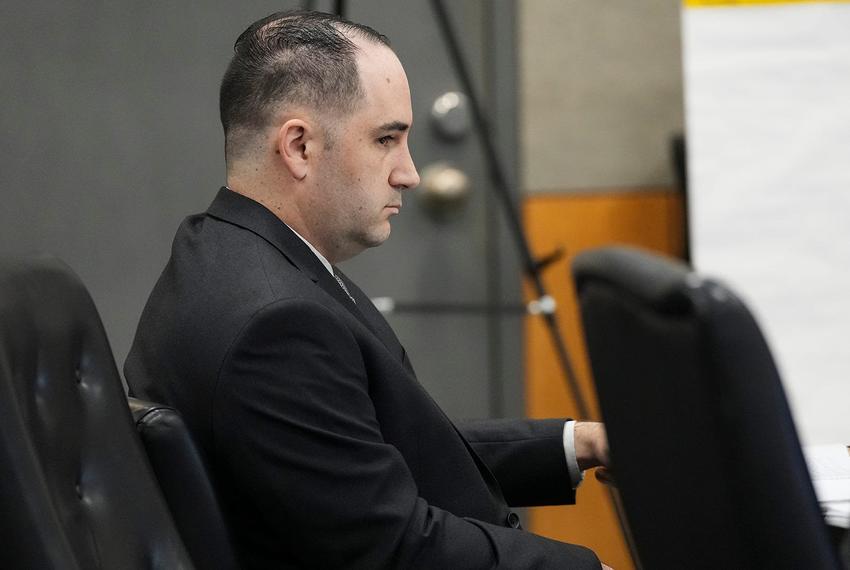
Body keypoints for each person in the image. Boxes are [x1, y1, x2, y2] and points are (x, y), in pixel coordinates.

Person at [125, 10, 612, 569]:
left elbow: (370, 455)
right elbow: (392, 548)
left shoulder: (223, 250)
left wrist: (580, 444)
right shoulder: (276, 325)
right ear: (299, 147)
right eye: (387, 139)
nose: (410, 173)